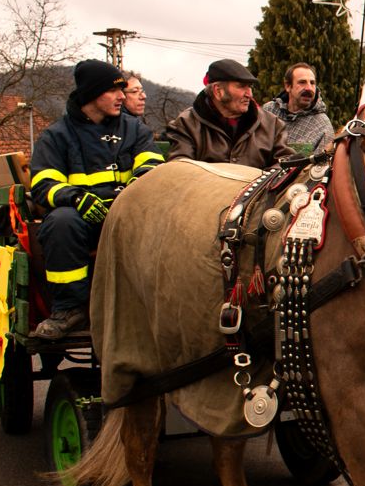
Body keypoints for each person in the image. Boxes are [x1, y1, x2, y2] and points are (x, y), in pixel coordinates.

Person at [28, 59, 164, 341]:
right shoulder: (56, 136)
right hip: (83, 222)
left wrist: (133, 193)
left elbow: (152, 167)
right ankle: (69, 309)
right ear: (91, 94)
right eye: (113, 90)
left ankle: (157, 303)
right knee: (60, 222)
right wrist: (76, 198)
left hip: (130, 215)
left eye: (122, 90)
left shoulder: (135, 129)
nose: (121, 96)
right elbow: (43, 184)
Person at [163, 58, 295, 167]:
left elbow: (285, 164)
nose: (249, 94)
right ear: (218, 91)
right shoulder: (187, 124)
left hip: (260, 191)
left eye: (249, 87)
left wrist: (259, 185)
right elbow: (181, 169)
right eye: (241, 86)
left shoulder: (272, 124)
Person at [262, 62, 335, 156]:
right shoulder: (269, 111)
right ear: (288, 86)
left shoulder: (322, 125)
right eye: (302, 82)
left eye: (312, 83)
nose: (309, 88)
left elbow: (322, 163)